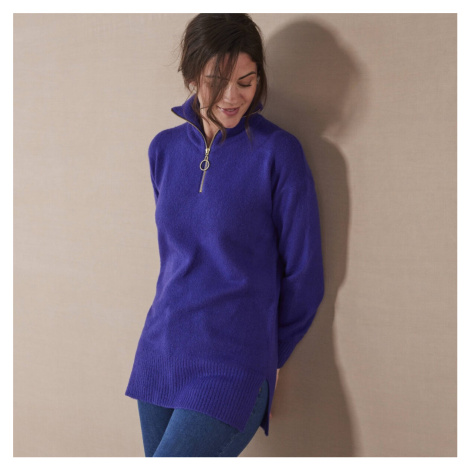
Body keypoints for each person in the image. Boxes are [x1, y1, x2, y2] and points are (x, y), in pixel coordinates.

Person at [125, 13, 325, 457]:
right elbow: (176, 256)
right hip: (161, 351)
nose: (233, 97)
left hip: (234, 363)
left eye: (247, 82)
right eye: (217, 81)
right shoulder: (163, 149)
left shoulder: (278, 153)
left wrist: (265, 355)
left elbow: (305, 276)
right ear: (192, 75)